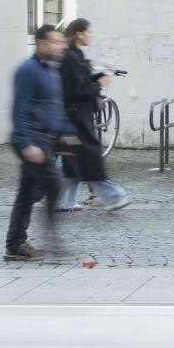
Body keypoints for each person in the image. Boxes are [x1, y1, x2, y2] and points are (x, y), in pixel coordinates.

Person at [6, 25, 78, 260]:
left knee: (27, 193)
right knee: (54, 183)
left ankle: (15, 244)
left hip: (46, 140)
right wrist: (27, 143)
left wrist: (67, 131)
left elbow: (55, 104)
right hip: (33, 139)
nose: (61, 47)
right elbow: (20, 108)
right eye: (56, 42)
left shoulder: (52, 70)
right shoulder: (27, 70)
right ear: (41, 43)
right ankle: (52, 239)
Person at [54, 17, 131, 213]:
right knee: (89, 159)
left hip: (78, 117)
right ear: (80, 33)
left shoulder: (76, 54)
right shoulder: (70, 57)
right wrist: (99, 84)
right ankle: (114, 196)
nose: (91, 35)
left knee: (73, 162)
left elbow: (82, 79)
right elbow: (76, 89)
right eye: (88, 32)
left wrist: (99, 74)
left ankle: (64, 201)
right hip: (76, 118)